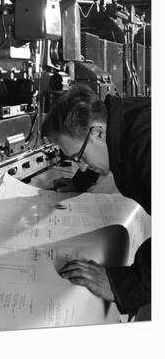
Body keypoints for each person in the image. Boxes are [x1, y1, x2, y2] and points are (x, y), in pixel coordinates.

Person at [41, 84, 151, 318]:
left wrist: (123, 284)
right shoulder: (120, 122)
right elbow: (107, 149)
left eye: (78, 157)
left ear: (97, 132)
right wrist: (81, 181)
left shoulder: (146, 145)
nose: (79, 165)